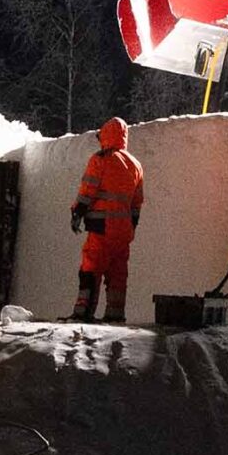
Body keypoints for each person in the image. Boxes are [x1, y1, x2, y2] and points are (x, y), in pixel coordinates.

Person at [68, 116, 144, 323]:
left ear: (106, 136)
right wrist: (130, 227)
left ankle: (83, 311)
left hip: (101, 227)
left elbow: (87, 191)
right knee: (118, 273)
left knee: (91, 268)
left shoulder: (100, 160)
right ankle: (115, 314)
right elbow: (137, 204)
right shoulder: (136, 165)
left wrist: (77, 213)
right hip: (124, 232)